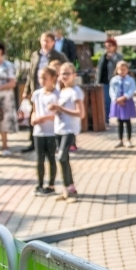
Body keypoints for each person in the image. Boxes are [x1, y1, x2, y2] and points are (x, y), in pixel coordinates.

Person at [22, 32, 67, 152]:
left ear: (53, 42)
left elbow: (65, 70)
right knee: (35, 114)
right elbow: (30, 74)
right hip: (37, 89)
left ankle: (56, 142)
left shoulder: (58, 56)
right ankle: (34, 142)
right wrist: (27, 90)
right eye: (43, 40)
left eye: (48, 41)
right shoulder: (35, 55)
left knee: (51, 114)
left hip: (52, 90)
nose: (45, 43)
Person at [50, 63, 84, 202]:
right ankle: (68, 188)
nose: (64, 76)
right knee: (64, 159)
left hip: (70, 129)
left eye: (67, 73)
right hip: (59, 128)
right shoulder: (61, 91)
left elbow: (80, 113)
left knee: (61, 157)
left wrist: (60, 109)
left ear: (74, 75)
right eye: (62, 73)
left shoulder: (76, 91)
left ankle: (68, 188)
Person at [31, 66, 60, 196]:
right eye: (40, 78)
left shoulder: (57, 94)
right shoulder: (37, 94)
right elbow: (34, 110)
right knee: (39, 159)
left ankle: (51, 184)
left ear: (53, 78)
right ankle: (40, 183)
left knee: (51, 158)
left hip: (52, 131)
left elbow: (59, 114)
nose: (41, 80)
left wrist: (45, 117)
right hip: (38, 132)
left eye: (44, 78)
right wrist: (33, 119)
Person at [109, 61, 136, 148]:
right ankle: (120, 140)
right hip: (117, 102)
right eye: (120, 70)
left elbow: (132, 90)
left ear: (127, 70)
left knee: (127, 121)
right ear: (117, 70)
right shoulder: (114, 80)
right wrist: (115, 99)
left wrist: (124, 97)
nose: (122, 71)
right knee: (119, 122)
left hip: (127, 102)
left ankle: (128, 140)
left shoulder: (130, 80)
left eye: (124, 69)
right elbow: (111, 90)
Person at [96, 38, 123, 125]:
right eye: (106, 46)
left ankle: (112, 118)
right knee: (103, 101)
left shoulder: (118, 56)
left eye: (109, 46)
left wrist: (111, 58)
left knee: (109, 101)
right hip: (102, 81)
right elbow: (99, 68)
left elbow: (120, 67)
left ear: (114, 47)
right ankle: (105, 119)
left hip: (112, 81)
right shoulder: (102, 56)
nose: (107, 48)